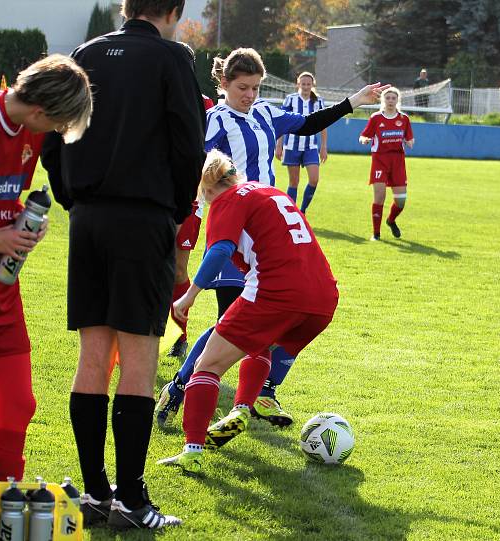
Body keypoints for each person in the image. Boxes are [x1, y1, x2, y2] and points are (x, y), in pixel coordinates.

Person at [154, 47, 387, 434]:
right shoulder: (213, 122)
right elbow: (187, 166)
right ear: (224, 83)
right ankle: (183, 386)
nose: (250, 95)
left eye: (256, 87)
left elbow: (308, 124)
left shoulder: (265, 113)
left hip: (272, 233)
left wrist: (352, 102)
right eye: (243, 87)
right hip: (234, 231)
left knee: (270, 317)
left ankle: (257, 392)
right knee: (230, 321)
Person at [40, 0, 205, 530]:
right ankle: (131, 499)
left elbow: (51, 136)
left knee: (93, 354)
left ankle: (95, 494)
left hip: (89, 219)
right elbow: (189, 146)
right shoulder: (172, 58)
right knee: (138, 357)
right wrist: (176, 208)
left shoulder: (85, 53)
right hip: (143, 218)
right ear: (175, 10)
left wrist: (73, 198)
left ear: (125, 7)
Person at [157, 149, 339, 474]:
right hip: (322, 296)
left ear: (205, 186)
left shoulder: (227, 200)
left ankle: (192, 451)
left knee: (206, 366)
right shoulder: (269, 191)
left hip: (277, 292)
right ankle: (241, 409)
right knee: (262, 344)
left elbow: (220, 250)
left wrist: (189, 297)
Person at [0, 55, 92, 482]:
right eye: (57, 124)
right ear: (41, 110)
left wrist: (20, 224)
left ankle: (1, 502)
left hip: (0, 290)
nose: (55, 133)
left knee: (19, 405)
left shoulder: (28, 134)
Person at [167, 93, 218, 359]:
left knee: (177, 270)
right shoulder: (153, 94)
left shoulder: (204, 103)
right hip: (155, 195)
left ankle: (179, 336)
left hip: (190, 200)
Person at [359, 87, 414, 241]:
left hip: (398, 162)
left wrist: (410, 141)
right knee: (379, 196)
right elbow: (364, 135)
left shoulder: (404, 119)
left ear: (397, 100)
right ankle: (376, 234)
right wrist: (364, 139)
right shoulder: (376, 118)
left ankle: (391, 220)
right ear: (383, 100)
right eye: (387, 98)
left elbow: (410, 138)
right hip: (380, 161)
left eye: (393, 98)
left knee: (401, 201)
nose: (390, 101)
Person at [275, 72, 328, 214]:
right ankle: (291, 213)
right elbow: (282, 122)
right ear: (298, 84)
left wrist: (323, 146)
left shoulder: (319, 101)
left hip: (311, 147)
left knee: (314, 179)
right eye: (303, 84)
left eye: (308, 84)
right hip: (292, 146)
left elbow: (323, 125)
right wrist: (278, 145)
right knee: (294, 182)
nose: (305, 86)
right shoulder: (290, 99)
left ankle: (302, 211)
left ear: (312, 85)